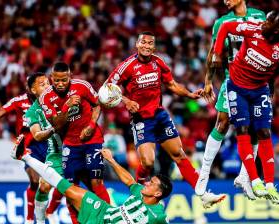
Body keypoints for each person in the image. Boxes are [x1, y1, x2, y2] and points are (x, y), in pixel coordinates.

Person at [105, 31, 225, 208]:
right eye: (143, 42)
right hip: (141, 120)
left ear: (154, 46)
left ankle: (203, 194)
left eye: (150, 43)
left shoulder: (158, 62)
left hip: (160, 115)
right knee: (148, 162)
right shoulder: (126, 66)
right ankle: (138, 190)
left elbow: (172, 85)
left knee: (179, 154)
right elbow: (108, 88)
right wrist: (126, 100)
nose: (146, 46)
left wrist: (190, 94)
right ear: (137, 44)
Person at [12, 136, 172, 224]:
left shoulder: (159, 217)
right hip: (103, 212)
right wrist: (111, 160)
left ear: (158, 193)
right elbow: (129, 180)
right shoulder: (139, 192)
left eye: (151, 183)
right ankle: (24, 156)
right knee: (67, 188)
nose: (147, 183)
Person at [197, 0, 266, 199]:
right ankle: (205, 172)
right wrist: (208, 81)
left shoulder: (260, 16)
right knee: (222, 123)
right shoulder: (222, 22)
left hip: (258, 81)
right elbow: (213, 52)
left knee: (257, 127)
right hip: (234, 79)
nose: (225, 0)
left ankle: (245, 175)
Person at [210, 10, 279, 203]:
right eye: (265, 21)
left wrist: (271, 87)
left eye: (269, 23)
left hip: (259, 91)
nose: (263, 24)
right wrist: (217, 53)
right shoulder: (252, 28)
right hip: (237, 88)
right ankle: (253, 179)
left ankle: (270, 185)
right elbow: (225, 27)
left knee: (264, 133)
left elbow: (275, 70)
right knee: (243, 130)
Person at [39, 62, 110, 222]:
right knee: (71, 188)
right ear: (51, 78)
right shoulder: (46, 97)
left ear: (70, 76)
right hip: (70, 144)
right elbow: (56, 126)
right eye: (56, 80)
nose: (60, 84)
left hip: (92, 139)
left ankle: (108, 218)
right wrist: (66, 107)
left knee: (96, 181)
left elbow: (97, 105)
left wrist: (91, 125)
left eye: (64, 80)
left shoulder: (83, 86)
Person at [0, 78, 45, 223]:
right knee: (35, 181)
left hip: (47, 144)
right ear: (29, 88)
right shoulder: (18, 100)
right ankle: (29, 219)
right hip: (28, 145)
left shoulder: (49, 99)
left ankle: (49, 214)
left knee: (47, 185)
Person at [24, 72, 63, 224]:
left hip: (74, 148)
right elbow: (37, 135)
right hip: (55, 153)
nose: (47, 86)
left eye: (48, 83)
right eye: (42, 84)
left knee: (76, 187)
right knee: (44, 185)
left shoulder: (62, 98)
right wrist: (54, 128)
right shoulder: (32, 112)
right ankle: (40, 220)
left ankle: (52, 211)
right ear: (33, 91)